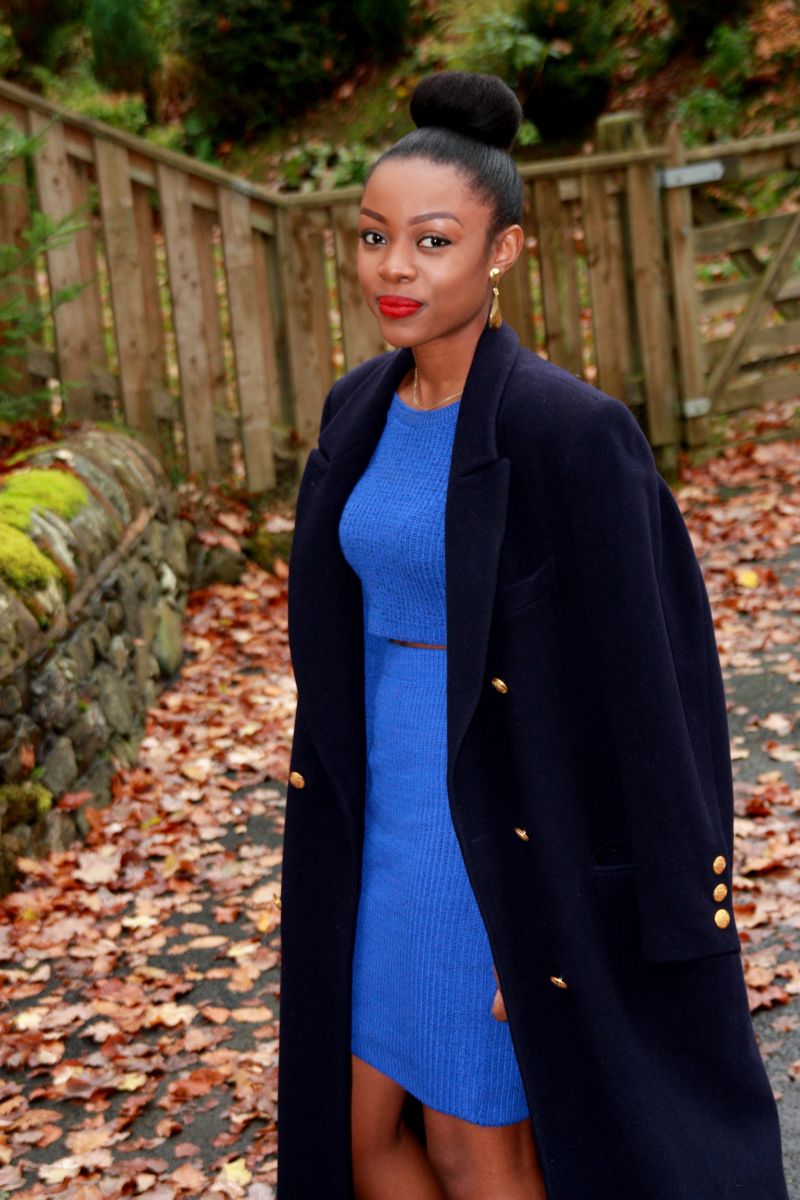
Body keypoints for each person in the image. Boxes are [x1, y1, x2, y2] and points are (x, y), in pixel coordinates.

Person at [277, 71, 789, 1200]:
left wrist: (606, 911)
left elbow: (656, 691)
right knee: (361, 1139)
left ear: (502, 250)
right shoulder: (357, 408)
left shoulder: (571, 431)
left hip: (497, 826)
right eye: (373, 237)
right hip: (374, 820)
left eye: (432, 241)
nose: (394, 268)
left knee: (476, 1146)